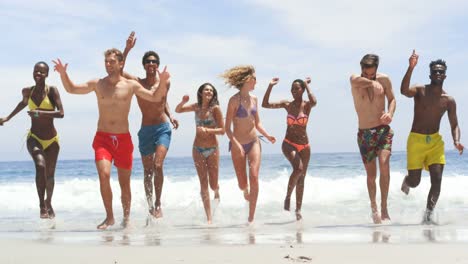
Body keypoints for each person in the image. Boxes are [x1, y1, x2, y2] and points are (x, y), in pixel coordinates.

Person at [52, 48, 170, 229]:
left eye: (112, 62)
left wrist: (162, 82)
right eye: (106, 62)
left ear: (121, 63)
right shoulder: (98, 84)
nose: (108, 65)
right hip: (103, 138)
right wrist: (63, 74)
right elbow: (72, 89)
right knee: (104, 174)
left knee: (125, 184)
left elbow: (154, 97)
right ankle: (109, 217)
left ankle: (127, 218)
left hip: (123, 139)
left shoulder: (131, 85)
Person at [400, 50, 464, 224]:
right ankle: (407, 180)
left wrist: (456, 141)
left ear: (445, 75)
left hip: (435, 142)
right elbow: (404, 90)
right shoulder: (420, 91)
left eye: (441, 71)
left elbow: (454, 123)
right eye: (435, 71)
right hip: (416, 140)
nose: (437, 73)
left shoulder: (448, 100)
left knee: (437, 180)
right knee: (415, 182)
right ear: (430, 74)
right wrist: (410, 67)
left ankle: (428, 216)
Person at [121, 32, 178, 219]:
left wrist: (171, 117)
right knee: (147, 171)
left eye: (154, 61)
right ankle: (150, 205)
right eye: (148, 61)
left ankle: (159, 203)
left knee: (158, 165)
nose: (151, 64)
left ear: (158, 65)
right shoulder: (137, 82)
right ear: (144, 65)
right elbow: (119, 71)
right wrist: (127, 49)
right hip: (145, 131)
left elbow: (163, 101)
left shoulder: (165, 81)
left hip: (162, 128)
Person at [0, 62, 64, 219]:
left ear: (47, 74)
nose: (38, 74)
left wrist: (40, 113)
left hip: (52, 140)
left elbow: (61, 113)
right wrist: (8, 117)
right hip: (34, 137)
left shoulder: (52, 91)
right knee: (40, 166)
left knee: (50, 176)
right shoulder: (27, 91)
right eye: (36, 71)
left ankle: (49, 202)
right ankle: (42, 205)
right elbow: (23, 104)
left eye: (42, 72)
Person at [221, 65, 276, 223]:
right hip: (237, 143)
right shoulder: (233, 101)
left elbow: (257, 123)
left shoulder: (254, 100)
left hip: (253, 142)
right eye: (254, 79)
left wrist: (267, 135)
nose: (256, 82)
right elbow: (227, 128)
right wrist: (235, 143)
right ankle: (245, 190)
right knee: (242, 183)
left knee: (254, 176)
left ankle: (251, 218)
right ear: (247, 80)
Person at [262, 77, 317, 220]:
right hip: (288, 143)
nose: (294, 91)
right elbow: (265, 104)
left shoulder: (307, 105)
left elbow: (314, 101)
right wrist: (270, 86)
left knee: (302, 178)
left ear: (302, 90)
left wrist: (307, 85)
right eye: (292, 89)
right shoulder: (287, 104)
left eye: (297, 88)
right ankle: (287, 197)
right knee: (298, 169)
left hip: (305, 145)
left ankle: (298, 211)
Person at [350, 54, 396, 224]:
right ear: (362, 69)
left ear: (377, 69)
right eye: (366, 73)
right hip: (365, 134)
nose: (369, 76)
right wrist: (371, 82)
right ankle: (374, 207)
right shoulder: (355, 79)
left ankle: (384, 208)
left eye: (372, 74)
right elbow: (356, 81)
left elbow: (392, 99)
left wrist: (390, 113)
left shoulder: (385, 79)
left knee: (384, 165)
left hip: (383, 130)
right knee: (371, 175)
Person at [175, 83, 225, 224]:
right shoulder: (196, 107)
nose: (208, 92)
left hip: (212, 149)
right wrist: (183, 102)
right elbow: (178, 110)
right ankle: (209, 217)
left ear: (213, 94)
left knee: (212, 184)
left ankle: (216, 190)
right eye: (206, 90)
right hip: (197, 149)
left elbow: (222, 130)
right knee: (203, 182)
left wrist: (207, 130)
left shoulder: (215, 109)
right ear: (201, 93)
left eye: (211, 90)